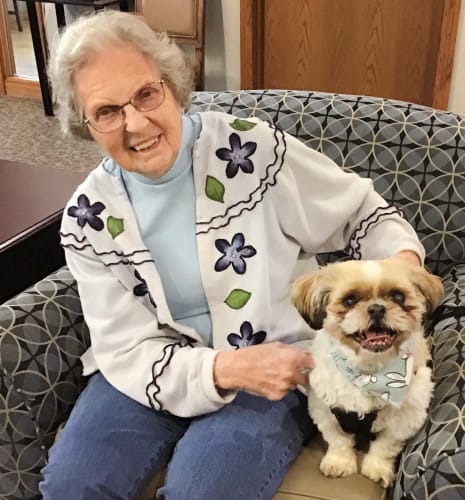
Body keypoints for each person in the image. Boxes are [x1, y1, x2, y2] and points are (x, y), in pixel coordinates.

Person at [41, 10, 424, 500]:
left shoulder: (251, 150)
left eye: (145, 94)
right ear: (84, 124)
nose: (135, 123)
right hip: (150, 371)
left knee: (205, 491)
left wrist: (404, 284)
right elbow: (124, 347)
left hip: (270, 364)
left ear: (172, 85)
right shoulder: (87, 218)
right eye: (107, 111)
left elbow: (366, 215)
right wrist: (220, 369)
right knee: (72, 487)